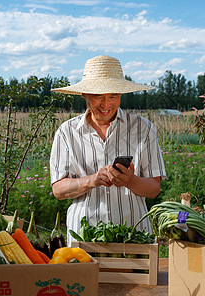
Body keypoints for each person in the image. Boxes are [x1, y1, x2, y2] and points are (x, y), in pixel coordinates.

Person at [49, 55, 167, 245]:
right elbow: (58, 190)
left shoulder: (143, 128)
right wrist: (92, 180)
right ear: (84, 95)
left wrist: (130, 180)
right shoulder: (67, 132)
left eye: (113, 96)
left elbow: (154, 189)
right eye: (98, 96)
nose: (106, 104)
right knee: (84, 276)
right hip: (83, 238)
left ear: (121, 94)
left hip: (134, 235)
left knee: (139, 276)